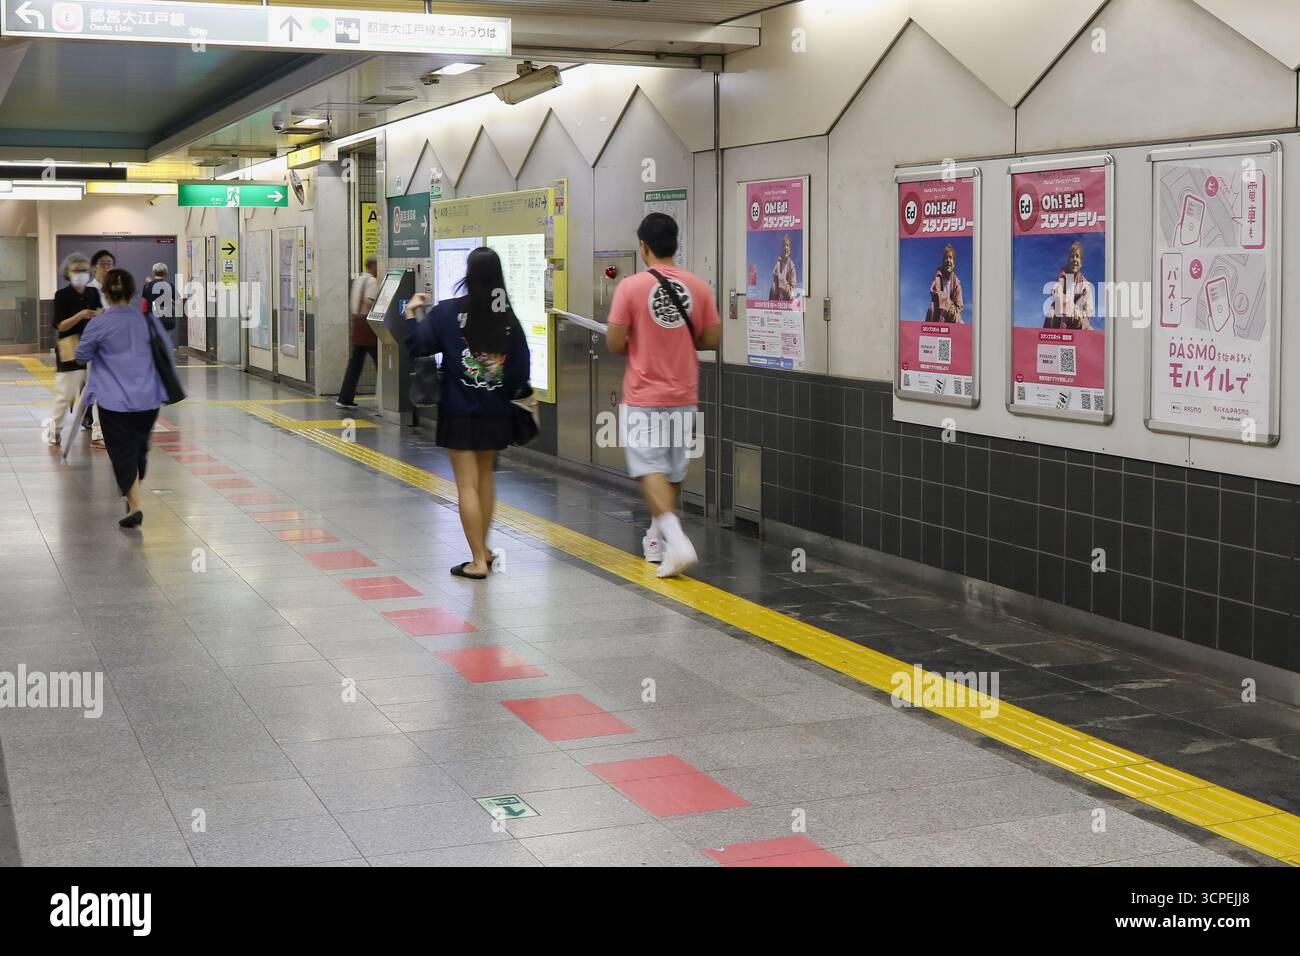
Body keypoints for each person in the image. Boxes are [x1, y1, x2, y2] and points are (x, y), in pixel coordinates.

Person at [403, 248, 530, 579]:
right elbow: (519, 372)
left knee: (466, 486)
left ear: (469, 275)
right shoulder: (507, 318)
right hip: (496, 411)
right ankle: (484, 549)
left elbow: (420, 345)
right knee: (485, 478)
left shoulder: (448, 312)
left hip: (459, 411)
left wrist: (413, 312)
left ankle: (476, 560)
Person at [607, 213, 721, 578]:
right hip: (684, 393)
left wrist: (641, 339)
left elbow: (613, 342)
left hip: (644, 394)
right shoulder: (698, 285)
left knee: (648, 468)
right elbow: (712, 340)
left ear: (644, 246)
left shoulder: (631, 287)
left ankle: (678, 540)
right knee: (671, 470)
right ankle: (657, 539)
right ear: (676, 243)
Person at [74, 269, 178, 529]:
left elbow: (81, 355)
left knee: (122, 453)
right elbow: (166, 353)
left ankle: (136, 505)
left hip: (113, 402)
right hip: (148, 400)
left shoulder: (98, 323)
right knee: (138, 450)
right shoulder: (149, 321)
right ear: (133, 294)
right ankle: (134, 500)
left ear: (105, 294)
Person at [46, 252, 103, 446]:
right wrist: (81, 315)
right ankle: (55, 430)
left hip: (92, 346)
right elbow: (60, 325)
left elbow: (99, 316)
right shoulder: (62, 295)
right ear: (67, 273)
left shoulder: (93, 293)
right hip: (69, 347)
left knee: (96, 391)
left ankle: (98, 432)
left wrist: (99, 314)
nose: (80, 274)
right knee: (66, 393)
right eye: (76, 270)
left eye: (84, 270)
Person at [79, 249, 115, 446]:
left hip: (115, 347)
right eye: (102, 263)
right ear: (94, 267)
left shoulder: (115, 289)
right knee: (96, 388)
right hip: (96, 346)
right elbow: (83, 318)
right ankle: (97, 431)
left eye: (110, 263)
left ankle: (103, 427)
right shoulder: (88, 290)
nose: (106, 267)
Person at [336, 256, 380, 410]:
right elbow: (369, 302)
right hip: (367, 326)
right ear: (373, 267)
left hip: (357, 325)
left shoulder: (358, 280)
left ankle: (345, 398)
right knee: (381, 363)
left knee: (354, 365)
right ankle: (386, 398)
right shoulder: (372, 281)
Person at [1044, 241, 1094, 331]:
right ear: (1068, 261)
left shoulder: (1085, 286)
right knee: (1051, 313)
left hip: (1077, 321)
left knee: (1090, 329)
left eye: (1077, 256)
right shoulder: (1062, 277)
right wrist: (1072, 308)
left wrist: (1079, 314)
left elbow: (1088, 310)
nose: (1074, 259)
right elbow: (1056, 293)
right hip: (1060, 318)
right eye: (1072, 257)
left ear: (1081, 263)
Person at [927, 243, 964, 323]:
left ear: (953, 264)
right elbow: (934, 292)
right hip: (939, 311)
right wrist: (949, 305)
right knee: (932, 307)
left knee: (961, 323)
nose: (948, 260)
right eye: (946, 258)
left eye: (950, 258)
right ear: (943, 262)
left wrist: (952, 311)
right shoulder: (938, 276)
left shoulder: (957, 284)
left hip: (951, 315)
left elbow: (959, 306)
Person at [141, 263, 176, 333]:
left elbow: (145, 302)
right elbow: (176, 302)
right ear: (166, 273)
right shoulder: (169, 286)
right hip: (166, 319)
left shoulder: (147, 286)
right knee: (165, 339)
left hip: (151, 318)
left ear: (153, 273)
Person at [770, 234, 799, 301]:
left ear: (789, 249)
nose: (785, 247)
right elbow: (773, 287)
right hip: (775, 302)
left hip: (786, 303)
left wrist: (780, 278)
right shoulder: (777, 265)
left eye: (787, 245)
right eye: (783, 245)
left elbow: (792, 292)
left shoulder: (792, 268)